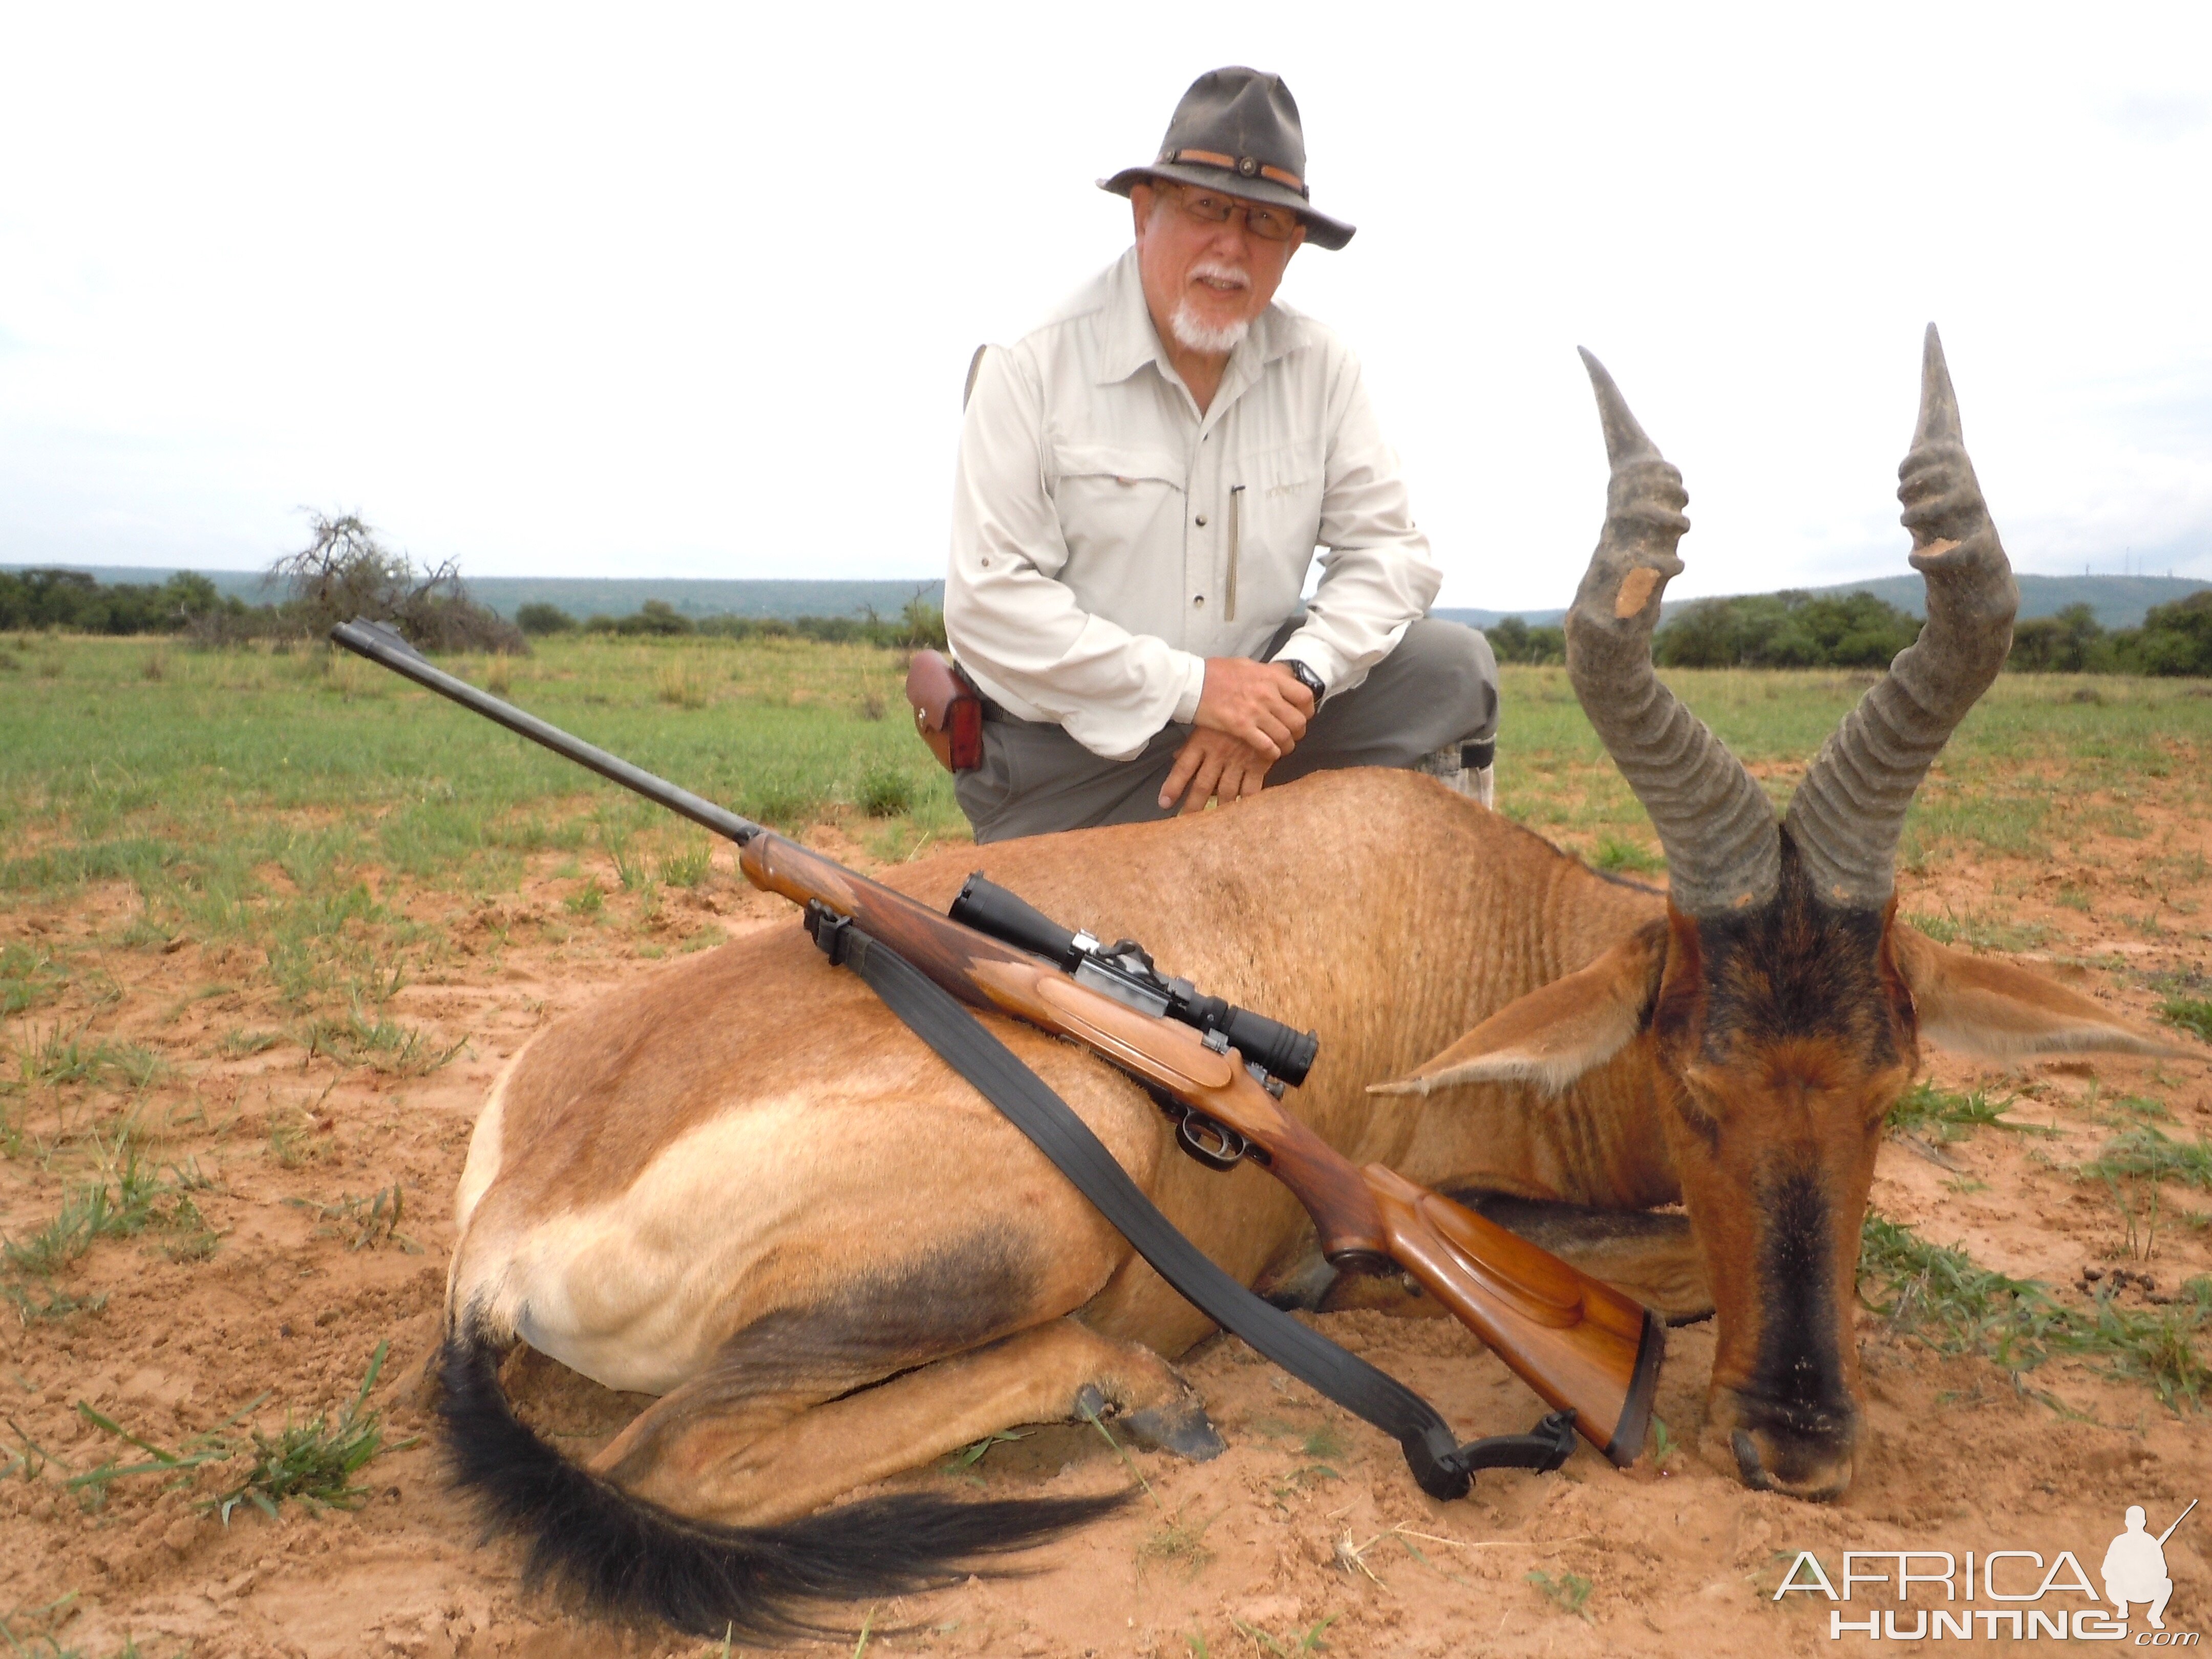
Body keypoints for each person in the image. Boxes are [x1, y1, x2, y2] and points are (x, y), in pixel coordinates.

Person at [943, 66, 1498, 844]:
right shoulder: (1030, 364)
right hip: (1079, 756)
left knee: (1453, 669)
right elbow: (990, 608)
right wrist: (1200, 691)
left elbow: (1393, 556)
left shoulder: (1322, 369)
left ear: (1293, 247)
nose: (1230, 249)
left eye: (1264, 224)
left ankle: (1451, 932)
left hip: (1266, 731)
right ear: (1145, 213)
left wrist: (1295, 681)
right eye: (1206, 208)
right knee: (1050, 960)